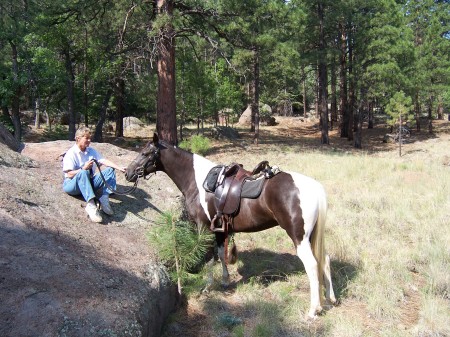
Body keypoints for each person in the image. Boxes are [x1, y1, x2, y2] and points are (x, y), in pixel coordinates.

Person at [62, 126, 126, 223]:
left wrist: (119, 168)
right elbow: (69, 174)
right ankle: (91, 204)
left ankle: (104, 198)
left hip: (89, 183)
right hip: (72, 185)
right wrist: (83, 168)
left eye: (90, 138)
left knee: (110, 170)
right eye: (86, 138)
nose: (89, 140)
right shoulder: (71, 153)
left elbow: (104, 161)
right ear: (78, 138)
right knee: (83, 172)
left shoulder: (91, 151)